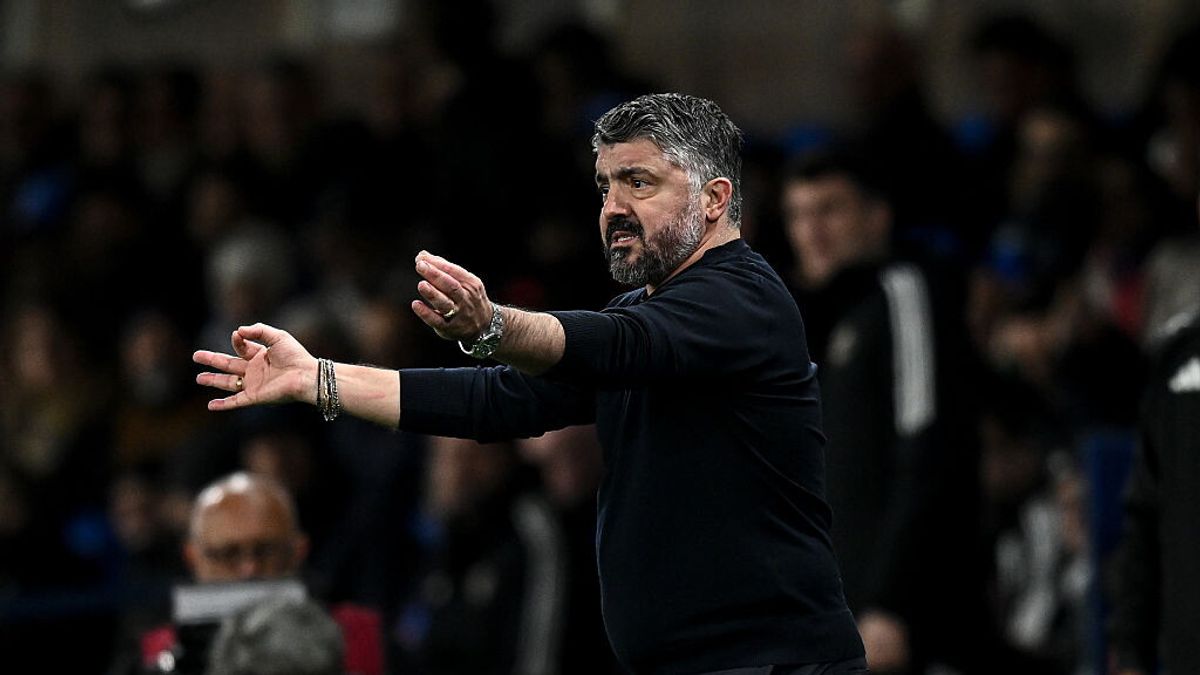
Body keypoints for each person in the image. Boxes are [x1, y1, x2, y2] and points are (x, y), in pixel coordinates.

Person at [194, 92, 866, 674]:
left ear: (715, 198)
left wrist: (492, 325)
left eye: (639, 183)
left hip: (774, 661)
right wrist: (318, 378)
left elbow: (615, 344)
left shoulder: (744, 298)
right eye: (605, 187)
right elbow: (496, 400)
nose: (613, 208)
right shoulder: (641, 315)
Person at [780, 149, 984, 673]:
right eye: (798, 215)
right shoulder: (813, 322)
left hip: (907, 625)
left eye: (830, 210)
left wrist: (890, 603)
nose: (811, 232)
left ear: (877, 216)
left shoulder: (905, 293)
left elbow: (929, 452)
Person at [131, 472, 382, 675]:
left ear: (299, 551)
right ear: (192, 557)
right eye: (228, 553)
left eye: (266, 550)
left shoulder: (363, 638)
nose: (248, 569)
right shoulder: (155, 654)